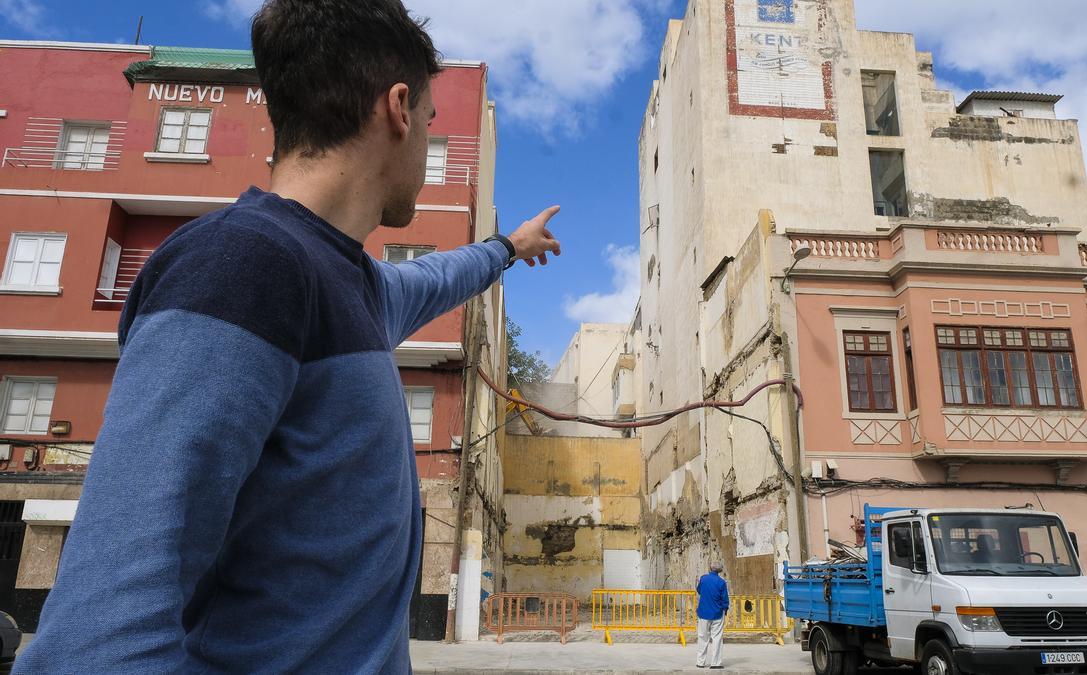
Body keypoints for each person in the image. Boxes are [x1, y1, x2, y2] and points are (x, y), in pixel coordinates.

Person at [15, 1, 561, 672]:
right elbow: (101, 640)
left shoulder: (358, 287)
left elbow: (441, 275)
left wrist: (509, 246)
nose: (426, 138)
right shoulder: (241, 268)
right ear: (396, 108)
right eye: (429, 119)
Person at [696, 561, 730, 669]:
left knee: (702, 637)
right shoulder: (721, 582)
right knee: (717, 638)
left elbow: (699, 590)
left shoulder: (703, 579)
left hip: (703, 613)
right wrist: (725, 609)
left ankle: (700, 662)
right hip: (717, 613)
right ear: (720, 570)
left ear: (710, 568)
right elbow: (724, 598)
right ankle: (715, 663)